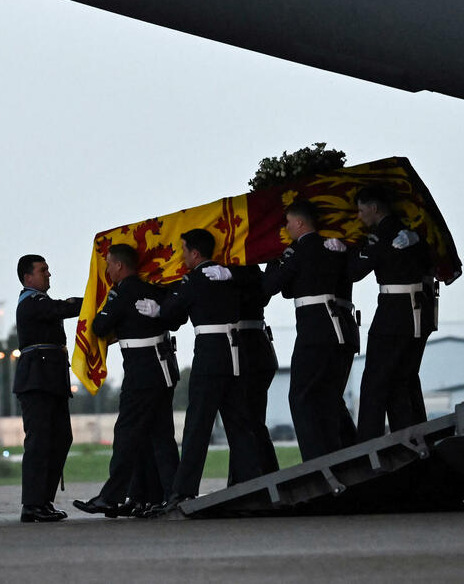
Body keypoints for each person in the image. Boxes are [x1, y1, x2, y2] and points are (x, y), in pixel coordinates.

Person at [136, 228, 262, 514]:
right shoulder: (229, 275)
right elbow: (257, 281)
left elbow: (172, 315)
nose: (181, 255)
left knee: (198, 425)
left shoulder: (193, 280)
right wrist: (231, 273)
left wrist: (158, 310)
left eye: (183, 250)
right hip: (236, 353)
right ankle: (254, 482)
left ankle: (182, 492)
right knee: (239, 423)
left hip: (210, 354)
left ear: (194, 252)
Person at [73, 244, 180, 518]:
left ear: (119, 266)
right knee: (160, 436)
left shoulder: (122, 292)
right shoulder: (154, 289)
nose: (107, 269)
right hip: (163, 368)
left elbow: (99, 327)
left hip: (142, 373)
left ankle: (111, 497)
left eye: (109, 264)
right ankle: (172, 494)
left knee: (126, 435)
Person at [263, 199, 358, 461]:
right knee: (330, 398)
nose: (286, 228)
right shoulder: (335, 247)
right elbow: (291, 289)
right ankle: (348, 453)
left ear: (299, 222)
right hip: (343, 329)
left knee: (301, 397)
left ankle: (316, 462)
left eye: (288, 223)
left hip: (317, 331)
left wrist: (273, 257)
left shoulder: (303, 249)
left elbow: (269, 288)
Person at [347, 186, 435, 441]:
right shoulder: (412, 234)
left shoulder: (382, 235)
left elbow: (355, 272)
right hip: (421, 311)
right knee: (404, 379)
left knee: (374, 381)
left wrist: (350, 248)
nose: (360, 216)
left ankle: (366, 444)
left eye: (362, 210)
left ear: (374, 208)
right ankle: (414, 435)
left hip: (394, 314)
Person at [14, 254, 82, 523]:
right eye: (43, 271)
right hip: (37, 382)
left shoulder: (39, 303)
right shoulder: (32, 302)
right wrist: (94, 299)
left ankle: (43, 500)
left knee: (60, 438)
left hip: (50, 381)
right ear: (27, 277)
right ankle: (32, 504)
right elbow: (61, 308)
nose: (48, 274)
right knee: (40, 442)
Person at [227, 264, 280, 482]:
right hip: (258, 346)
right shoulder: (254, 275)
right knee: (253, 420)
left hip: (246, 350)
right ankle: (265, 474)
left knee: (245, 420)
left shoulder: (242, 276)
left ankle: (249, 477)